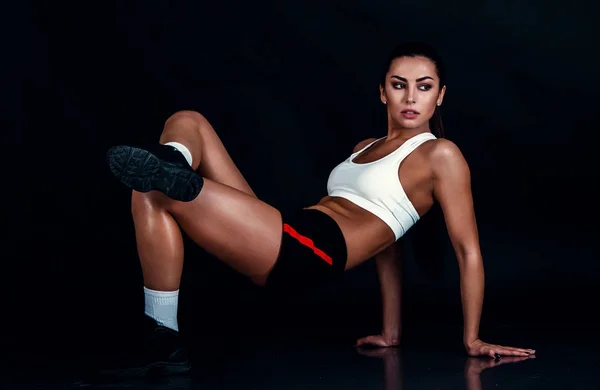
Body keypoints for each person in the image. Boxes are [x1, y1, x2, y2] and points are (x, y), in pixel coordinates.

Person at [106, 42, 535, 376]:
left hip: (311, 252)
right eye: (398, 83)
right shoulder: (363, 149)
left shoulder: (441, 155)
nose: (410, 96)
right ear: (382, 91)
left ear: (440, 96)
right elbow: (389, 248)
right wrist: (391, 332)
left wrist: (472, 338)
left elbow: (468, 251)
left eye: (424, 86)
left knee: (156, 191)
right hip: (289, 230)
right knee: (187, 124)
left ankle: (162, 335)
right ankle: (173, 167)